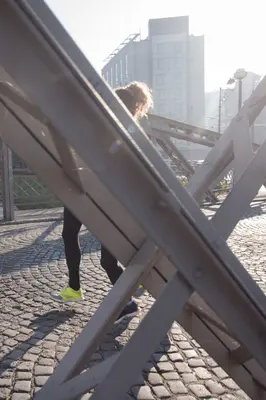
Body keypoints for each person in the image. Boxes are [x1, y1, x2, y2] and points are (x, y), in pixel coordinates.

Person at [52, 81, 153, 324]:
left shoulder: (120, 132)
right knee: (72, 235)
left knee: (107, 257)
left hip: (98, 191)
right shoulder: (117, 130)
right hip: (88, 186)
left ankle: (127, 299)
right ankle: (76, 287)